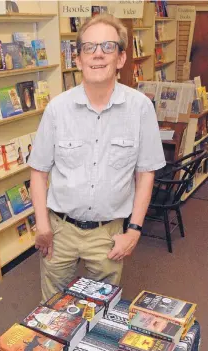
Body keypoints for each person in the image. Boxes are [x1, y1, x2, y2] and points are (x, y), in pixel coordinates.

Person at [28, 14, 166, 302]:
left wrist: (135, 231)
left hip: (108, 233)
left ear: (121, 58)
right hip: (60, 230)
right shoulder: (57, 109)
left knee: (102, 309)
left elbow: (146, 173)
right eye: (89, 47)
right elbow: (38, 172)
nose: (98, 54)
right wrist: (42, 225)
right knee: (51, 310)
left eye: (107, 46)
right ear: (77, 60)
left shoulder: (140, 109)